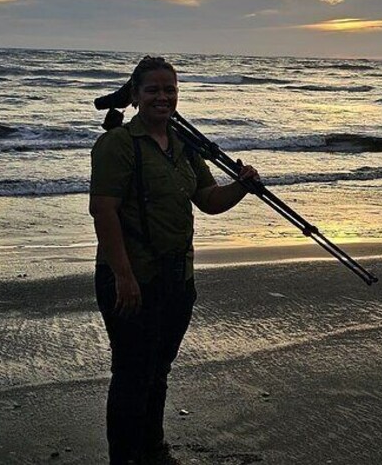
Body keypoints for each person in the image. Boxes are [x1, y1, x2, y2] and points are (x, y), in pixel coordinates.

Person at [89, 56, 259, 465]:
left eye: (170, 90)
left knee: (159, 368)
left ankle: (153, 447)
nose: (163, 97)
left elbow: (208, 200)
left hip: (177, 277)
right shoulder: (118, 145)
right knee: (132, 374)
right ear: (136, 95)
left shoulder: (184, 147)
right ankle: (125, 457)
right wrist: (123, 277)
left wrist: (242, 186)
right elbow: (103, 211)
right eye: (153, 90)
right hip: (132, 278)